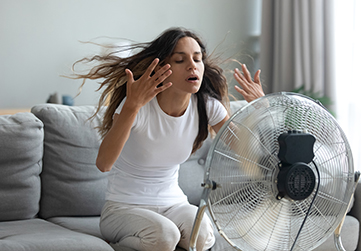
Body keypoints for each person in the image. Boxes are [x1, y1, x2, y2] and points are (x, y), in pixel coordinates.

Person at [72, 27, 264, 251]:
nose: (193, 65)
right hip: (124, 208)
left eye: (198, 59)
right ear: (162, 67)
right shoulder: (137, 105)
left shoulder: (207, 106)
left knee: (202, 236)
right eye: (180, 60)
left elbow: (251, 156)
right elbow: (103, 164)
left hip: (174, 204)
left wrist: (261, 110)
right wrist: (132, 106)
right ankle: (118, 243)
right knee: (165, 236)